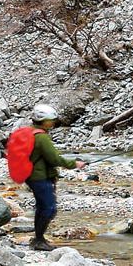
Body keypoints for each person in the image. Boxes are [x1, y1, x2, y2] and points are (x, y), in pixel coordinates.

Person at [26, 104, 85, 251]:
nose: (53, 122)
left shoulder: (30, 131)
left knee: (41, 207)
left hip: (31, 175)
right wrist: (75, 164)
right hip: (39, 177)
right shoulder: (41, 137)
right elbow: (54, 159)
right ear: (43, 120)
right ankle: (39, 240)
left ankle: (38, 238)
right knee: (49, 208)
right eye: (51, 119)